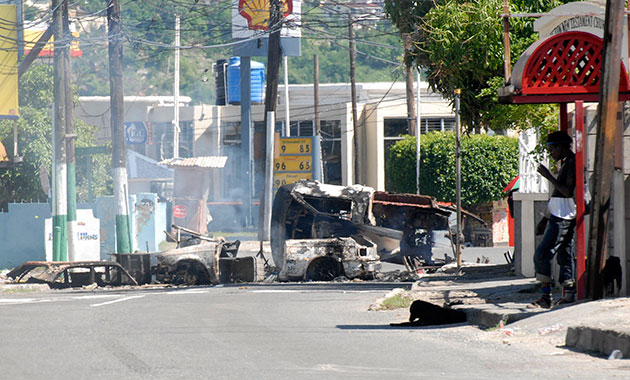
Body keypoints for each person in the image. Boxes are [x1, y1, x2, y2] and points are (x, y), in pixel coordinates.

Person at [529, 131, 576, 309]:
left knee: (542, 254)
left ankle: (546, 296)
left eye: (552, 148)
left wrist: (549, 176)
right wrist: (545, 218)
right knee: (564, 252)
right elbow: (557, 195)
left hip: (565, 216)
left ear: (561, 146)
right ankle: (568, 294)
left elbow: (566, 191)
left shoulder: (571, 163)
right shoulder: (565, 163)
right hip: (559, 214)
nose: (551, 153)